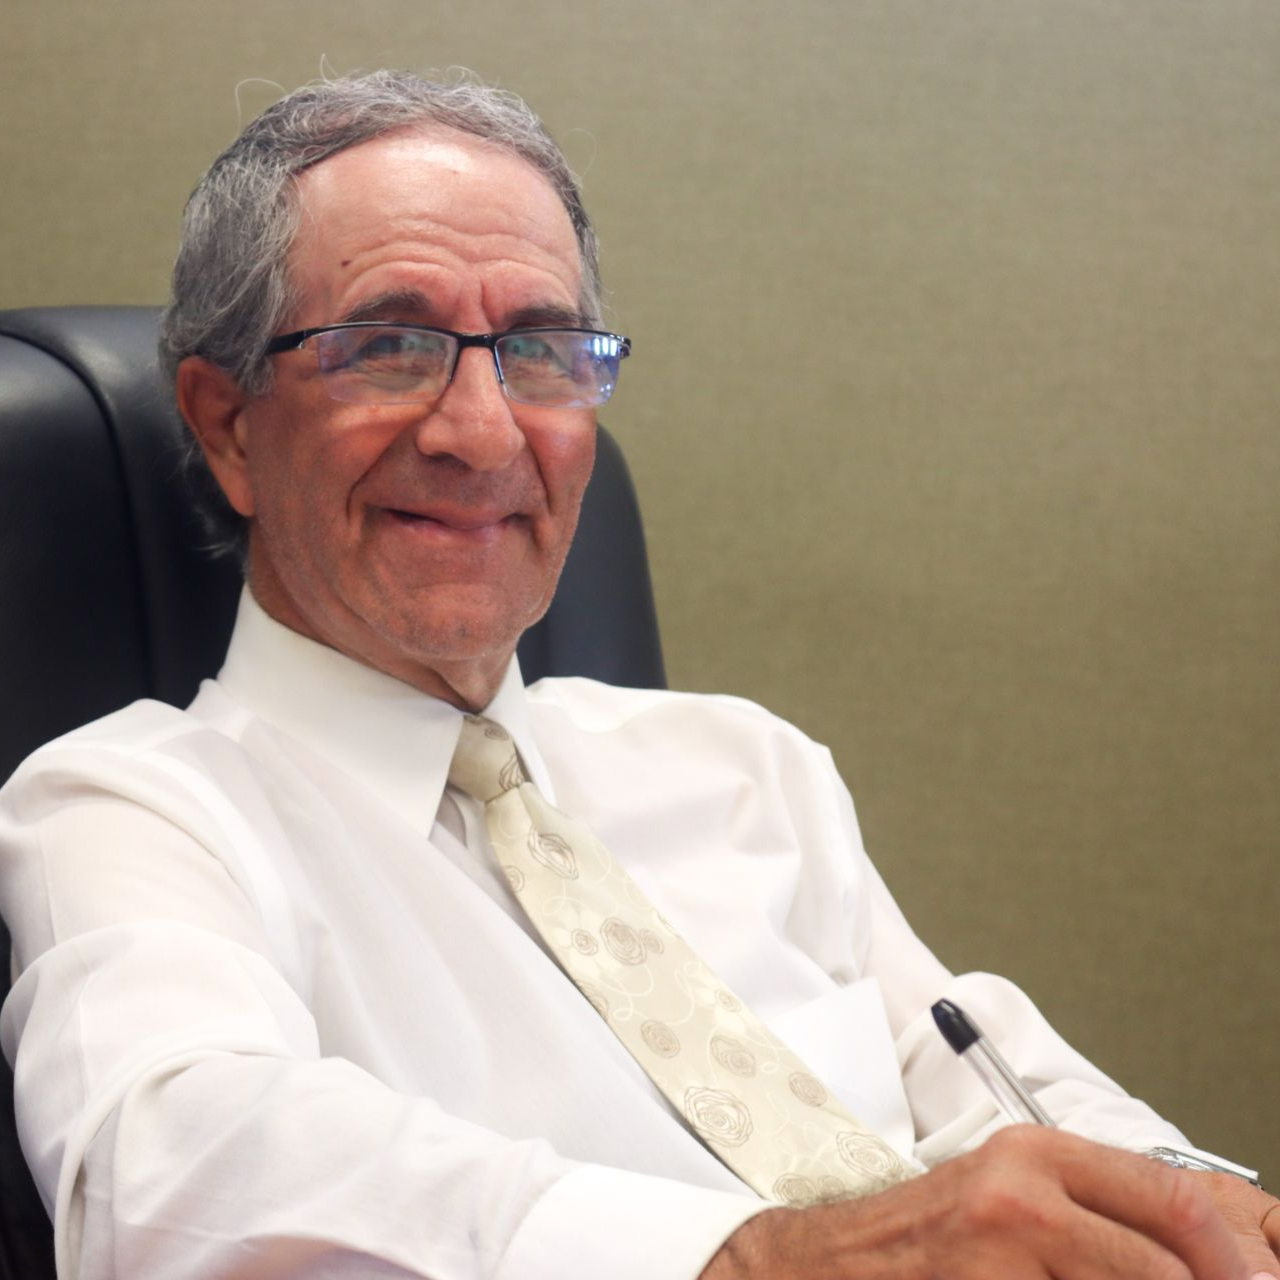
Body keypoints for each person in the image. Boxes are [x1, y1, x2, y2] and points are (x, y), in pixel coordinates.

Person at [0, 69, 1275, 1280]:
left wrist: (1198, 1208)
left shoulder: (740, 766)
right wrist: (765, 1259)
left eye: (540, 349)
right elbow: (168, 1172)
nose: (483, 430)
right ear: (227, 424)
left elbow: (987, 1072)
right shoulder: (131, 809)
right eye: (391, 344)